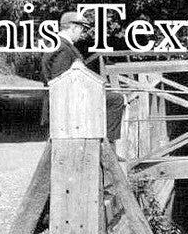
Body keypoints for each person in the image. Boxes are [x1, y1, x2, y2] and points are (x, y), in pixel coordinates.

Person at [40, 11, 125, 143]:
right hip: (66, 103)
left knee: (110, 97)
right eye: (81, 29)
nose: (82, 33)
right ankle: (108, 146)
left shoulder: (59, 45)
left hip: (67, 99)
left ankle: (104, 143)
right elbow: (63, 81)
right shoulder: (63, 48)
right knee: (116, 100)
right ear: (73, 27)